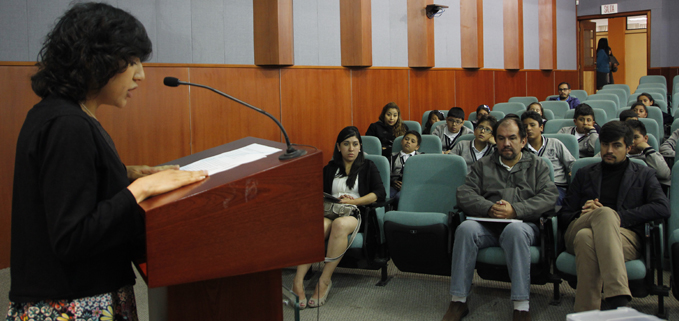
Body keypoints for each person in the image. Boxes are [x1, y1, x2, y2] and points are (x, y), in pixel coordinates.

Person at [6, 4, 209, 321]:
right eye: (131, 62)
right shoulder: (67, 125)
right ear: (96, 61)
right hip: (73, 304)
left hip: (76, 295)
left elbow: (69, 186)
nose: (140, 75)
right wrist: (139, 190)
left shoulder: (61, 115)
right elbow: (72, 237)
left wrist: (124, 174)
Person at [442, 117, 558, 321]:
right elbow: (464, 193)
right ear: (495, 140)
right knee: (466, 228)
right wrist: (488, 208)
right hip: (487, 225)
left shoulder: (537, 165)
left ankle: (521, 306)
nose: (506, 143)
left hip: (523, 226)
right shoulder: (483, 164)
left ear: (523, 141)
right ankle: (458, 301)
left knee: (514, 232)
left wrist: (516, 210)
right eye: (501, 138)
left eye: (512, 138)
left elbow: (549, 197)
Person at [558, 121, 669, 312]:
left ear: (628, 147)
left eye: (616, 145)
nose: (609, 150)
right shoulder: (584, 173)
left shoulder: (644, 174)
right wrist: (585, 210)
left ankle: (586, 313)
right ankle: (617, 297)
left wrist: (617, 216)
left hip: (624, 235)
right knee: (600, 217)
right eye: (605, 144)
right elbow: (564, 214)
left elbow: (662, 207)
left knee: (588, 237)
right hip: (578, 226)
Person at [293, 126, 385, 309]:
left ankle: (324, 280)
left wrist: (355, 202)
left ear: (360, 146)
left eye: (355, 144)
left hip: (354, 214)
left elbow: (379, 193)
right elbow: (317, 192)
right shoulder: (330, 168)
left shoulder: (368, 166)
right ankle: (297, 281)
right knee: (316, 227)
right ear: (338, 146)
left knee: (340, 225)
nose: (351, 148)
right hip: (330, 211)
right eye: (346, 144)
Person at [522, 111, 575, 205]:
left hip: (556, 186)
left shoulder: (555, 143)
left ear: (541, 127)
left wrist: (572, 171)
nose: (528, 129)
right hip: (531, 187)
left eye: (532, 125)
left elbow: (572, 163)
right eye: (525, 126)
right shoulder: (521, 149)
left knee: (550, 201)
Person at [624, 120, 671, 191]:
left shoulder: (651, 155)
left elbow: (664, 174)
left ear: (645, 138)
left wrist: (647, 149)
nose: (632, 141)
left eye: (636, 137)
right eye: (628, 138)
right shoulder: (617, 154)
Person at [390, 130, 422, 201]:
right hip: (394, 185)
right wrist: (393, 182)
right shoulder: (392, 157)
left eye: (412, 141)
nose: (408, 142)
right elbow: (387, 174)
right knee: (386, 195)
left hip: (413, 187)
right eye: (406, 139)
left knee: (399, 197)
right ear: (402, 141)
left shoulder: (421, 158)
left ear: (417, 147)